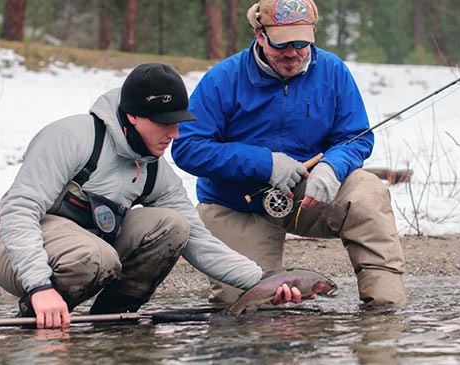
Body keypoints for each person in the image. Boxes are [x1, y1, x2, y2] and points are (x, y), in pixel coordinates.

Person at [0, 63, 301, 329]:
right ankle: (38, 318)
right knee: (93, 258)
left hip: (85, 247)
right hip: (10, 245)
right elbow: (20, 212)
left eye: (179, 122)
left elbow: (199, 241)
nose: (174, 134)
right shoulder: (72, 137)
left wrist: (264, 281)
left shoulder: (155, 170)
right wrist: (40, 288)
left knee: (173, 224)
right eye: (164, 123)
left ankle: (113, 325)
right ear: (132, 116)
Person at [171, 0, 408, 307]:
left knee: (367, 192)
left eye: (302, 42)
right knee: (241, 309)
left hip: (308, 194)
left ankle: (385, 317)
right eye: (282, 43)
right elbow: (188, 148)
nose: (293, 53)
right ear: (259, 34)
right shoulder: (223, 79)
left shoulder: (333, 72)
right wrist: (264, 163)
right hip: (237, 205)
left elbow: (356, 138)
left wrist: (333, 167)